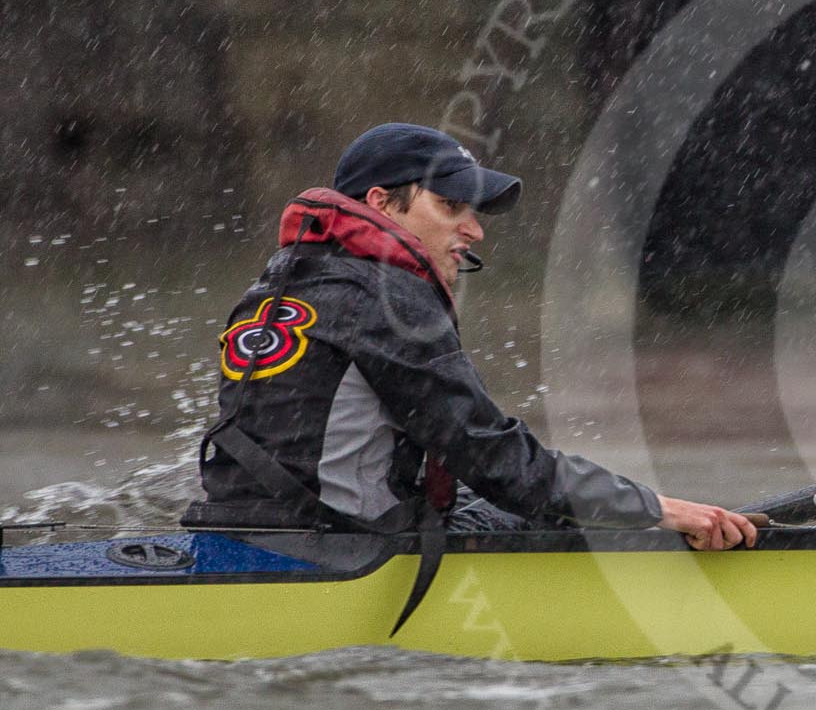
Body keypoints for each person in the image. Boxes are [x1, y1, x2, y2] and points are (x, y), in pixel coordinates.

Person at [182, 123, 756, 549]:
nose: (474, 229)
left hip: (243, 530)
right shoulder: (387, 298)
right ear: (382, 204)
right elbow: (494, 456)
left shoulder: (282, 280)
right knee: (573, 517)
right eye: (450, 205)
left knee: (498, 505)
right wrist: (654, 509)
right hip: (336, 549)